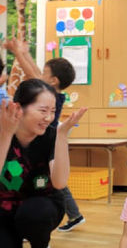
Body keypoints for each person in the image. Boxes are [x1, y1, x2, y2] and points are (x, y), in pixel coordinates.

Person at [4, 38, 85, 232]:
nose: (41, 74)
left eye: (45, 73)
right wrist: (25, 52)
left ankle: (71, 215)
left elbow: (33, 75)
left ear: (53, 81)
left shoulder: (50, 94)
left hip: (48, 142)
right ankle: (74, 215)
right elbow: (37, 73)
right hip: (43, 140)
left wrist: (18, 53)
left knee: (55, 184)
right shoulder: (51, 90)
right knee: (51, 182)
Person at [0, 79, 86, 248]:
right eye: (43, 111)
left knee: (34, 214)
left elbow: (60, 182)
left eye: (53, 111)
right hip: (5, 207)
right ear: (18, 108)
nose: (48, 118)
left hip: (43, 204)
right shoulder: (3, 130)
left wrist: (62, 136)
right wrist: (6, 135)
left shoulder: (51, 136)